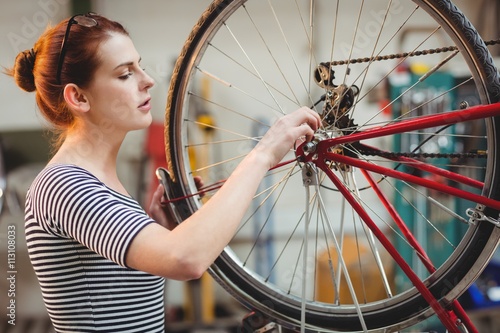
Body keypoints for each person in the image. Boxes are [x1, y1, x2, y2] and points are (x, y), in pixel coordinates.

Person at [7, 13, 321, 333]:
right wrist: (263, 153)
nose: (148, 80)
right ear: (78, 97)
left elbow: (120, 298)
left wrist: (156, 227)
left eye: (139, 66)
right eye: (125, 74)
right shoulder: (64, 185)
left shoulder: (99, 182)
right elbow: (186, 259)